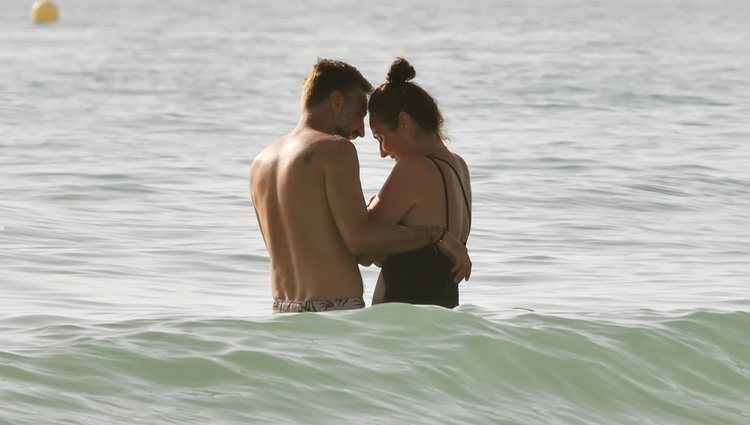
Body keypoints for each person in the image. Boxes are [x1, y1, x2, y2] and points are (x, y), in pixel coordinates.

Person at [249, 59, 471, 313]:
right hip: (335, 309)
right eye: (359, 113)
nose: (361, 131)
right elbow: (361, 242)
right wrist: (436, 234)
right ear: (337, 101)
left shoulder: (260, 163)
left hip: (282, 309)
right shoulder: (336, 150)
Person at [365, 58, 472, 308]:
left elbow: (364, 245)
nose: (382, 151)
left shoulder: (413, 169)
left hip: (401, 321)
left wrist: (369, 203)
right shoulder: (459, 168)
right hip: (445, 316)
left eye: (381, 137)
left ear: (404, 122)